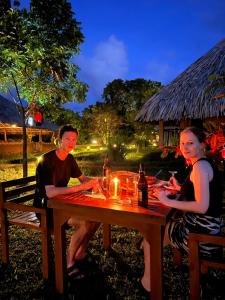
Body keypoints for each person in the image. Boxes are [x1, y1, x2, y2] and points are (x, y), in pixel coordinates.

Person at [141, 126, 224, 292]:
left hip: (203, 238)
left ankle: (148, 283)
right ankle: (147, 248)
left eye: (190, 143)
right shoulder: (203, 163)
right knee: (164, 225)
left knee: (153, 232)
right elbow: (200, 192)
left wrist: (166, 200)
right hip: (212, 228)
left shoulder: (200, 168)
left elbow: (202, 206)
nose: (184, 147)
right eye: (182, 143)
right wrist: (180, 188)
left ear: (202, 145)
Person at [33, 124, 101, 279]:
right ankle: (69, 263)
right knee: (85, 223)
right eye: (67, 139)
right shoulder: (46, 160)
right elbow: (50, 193)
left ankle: (80, 252)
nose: (71, 143)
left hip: (63, 203)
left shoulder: (69, 158)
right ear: (59, 140)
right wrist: (81, 188)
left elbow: (83, 179)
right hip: (46, 208)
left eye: (74, 139)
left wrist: (97, 182)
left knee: (96, 218)